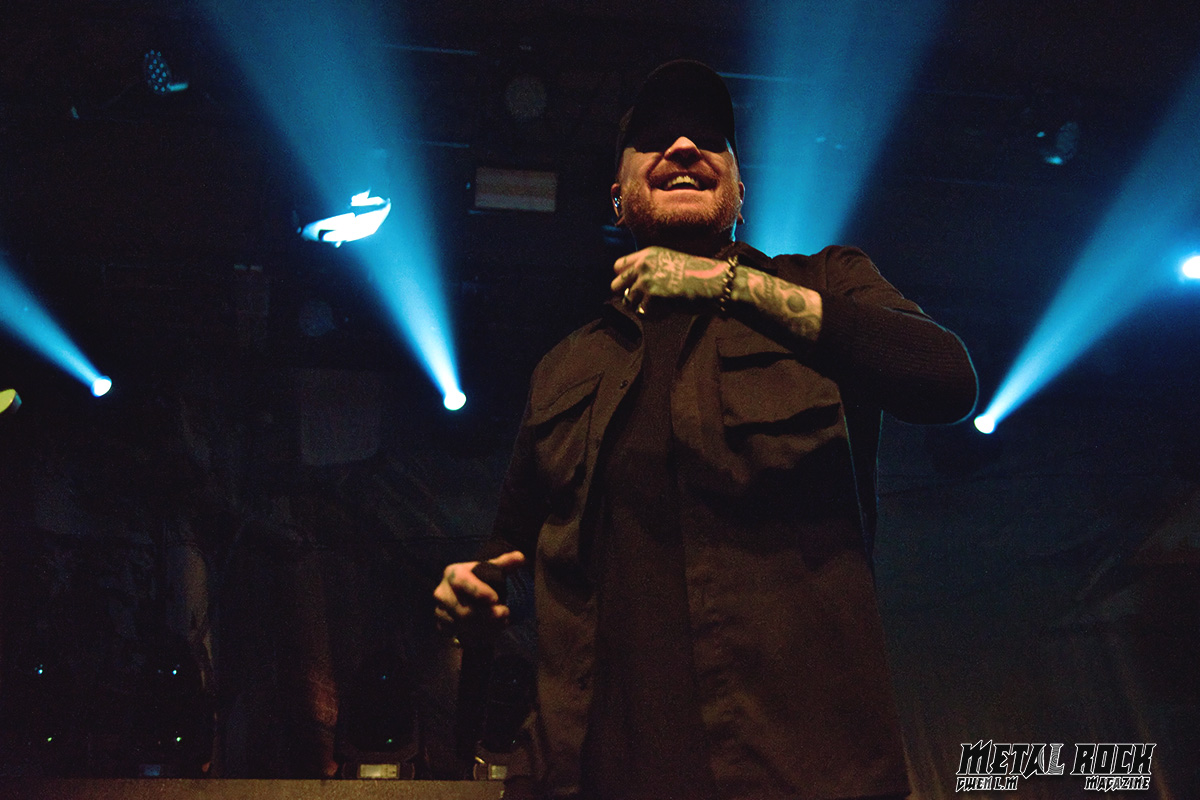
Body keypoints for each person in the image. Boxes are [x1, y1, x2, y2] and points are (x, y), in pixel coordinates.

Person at [435, 60, 977, 800]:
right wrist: (472, 594)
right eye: (655, 137)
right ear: (617, 195)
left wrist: (732, 286)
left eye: (710, 137)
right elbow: (513, 562)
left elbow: (946, 378)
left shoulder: (825, 281)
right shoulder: (564, 368)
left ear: (740, 193)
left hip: (799, 774)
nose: (685, 146)